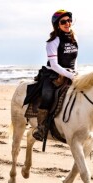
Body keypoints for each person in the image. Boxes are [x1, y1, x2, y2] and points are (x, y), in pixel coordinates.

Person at [33, 9, 78, 141]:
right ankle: (41, 127)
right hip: (53, 74)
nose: (67, 23)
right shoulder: (53, 42)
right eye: (63, 21)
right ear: (57, 25)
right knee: (47, 96)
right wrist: (69, 75)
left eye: (69, 20)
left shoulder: (74, 38)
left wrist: (74, 72)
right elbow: (54, 65)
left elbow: (74, 59)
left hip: (71, 73)